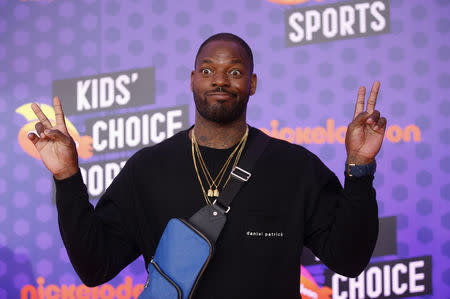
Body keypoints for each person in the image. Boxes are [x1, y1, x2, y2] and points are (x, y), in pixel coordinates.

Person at [28, 33, 387, 298]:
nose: (219, 79)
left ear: (253, 84)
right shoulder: (148, 170)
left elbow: (349, 259)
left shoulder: (295, 168)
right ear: (192, 81)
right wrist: (66, 177)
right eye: (207, 69)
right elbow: (95, 266)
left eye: (234, 71)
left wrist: (360, 167)